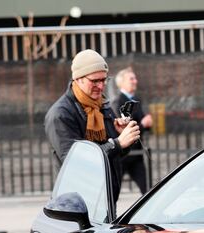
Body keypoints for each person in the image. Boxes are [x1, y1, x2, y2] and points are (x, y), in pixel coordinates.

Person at [45, 49, 140, 202]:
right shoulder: (60, 114)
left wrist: (120, 137)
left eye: (104, 80)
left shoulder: (102, 105)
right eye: (95, 81)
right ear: (78, 79)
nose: (101, 86)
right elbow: (74, 161)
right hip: (77, 204)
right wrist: (117, 143)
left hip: (104, 200)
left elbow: (115, 153)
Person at [113, 68, 153, 194]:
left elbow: (142, 123)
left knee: (147, 191)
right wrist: (143, 123)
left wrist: (147, 124)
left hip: (136, 153)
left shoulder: (136, 100)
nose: (135, 81)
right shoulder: (118, 102)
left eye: (135, 78)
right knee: (113, 191)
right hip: (123, 156)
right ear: (122, 82)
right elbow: (121, 129)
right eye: (131, 79)